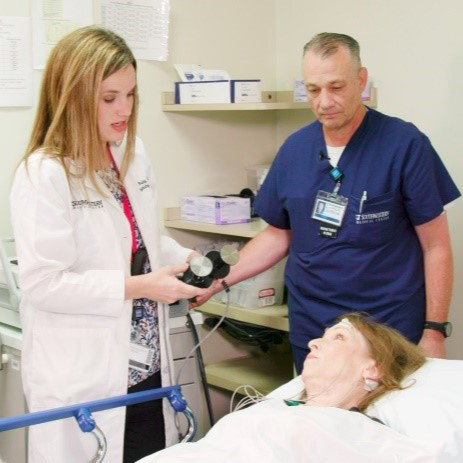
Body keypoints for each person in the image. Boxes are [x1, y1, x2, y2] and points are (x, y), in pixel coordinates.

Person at [195, 32, 460, 373]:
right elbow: (279, 235)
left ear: (361, 80)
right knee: (317, 420)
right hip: (314, 329)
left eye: (336, 87)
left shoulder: (404, 144)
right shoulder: (295, 150)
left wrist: (434, 331)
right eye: (313, 90)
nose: (324, 101)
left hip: (389, 329)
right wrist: (217, 282)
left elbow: (435, 246)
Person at [10, 26, 207, 463]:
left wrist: (188, 259)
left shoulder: (131, 152)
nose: (124, 109)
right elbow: (44, 284)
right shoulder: (45, 173)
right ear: (75, 96)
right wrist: (142, 287)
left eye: (131, 95)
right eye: (109, 98)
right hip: (84, 372)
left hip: (146, 367)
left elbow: (144, 238)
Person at [135, 313, 430, 463]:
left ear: (373, 369)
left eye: (339, 338)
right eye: (322, 336)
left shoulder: (361, 431)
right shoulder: (276, 406)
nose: (315, 342)